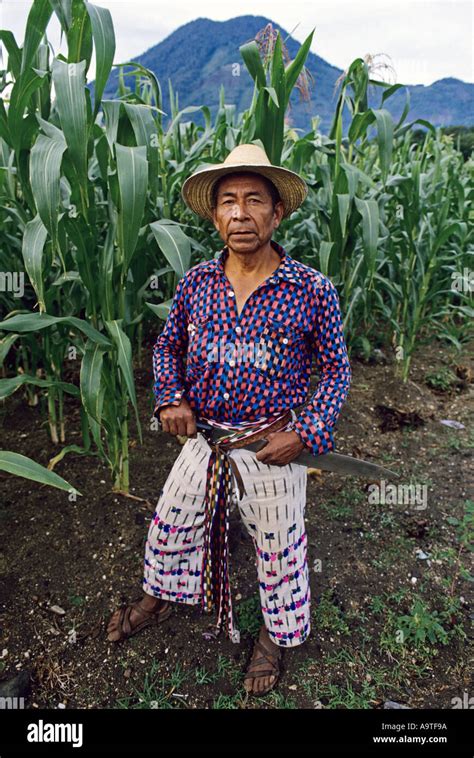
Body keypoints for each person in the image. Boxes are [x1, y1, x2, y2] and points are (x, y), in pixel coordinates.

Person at [106, 143, 352, 696]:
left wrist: (305, 433)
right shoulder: (196, 282)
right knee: (171, 525)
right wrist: (171, 398)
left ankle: (273, 636)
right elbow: (167, 346)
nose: (240, 214)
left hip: (271, 444)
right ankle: (159, 597)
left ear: (277, 212)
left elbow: (337, 371)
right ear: (215, 214)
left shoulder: (311, 290)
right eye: (228, 202)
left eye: (254, 201)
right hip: (207, 441)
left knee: (278, 545)